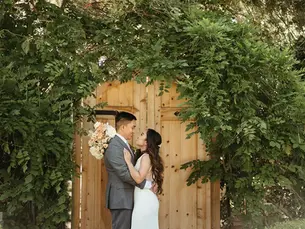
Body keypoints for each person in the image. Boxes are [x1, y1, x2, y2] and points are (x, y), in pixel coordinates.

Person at [104, 112, 153, 229]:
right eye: (132, 127)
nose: (133, 131)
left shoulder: (123, 144)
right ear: (123, 127)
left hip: (127, 198)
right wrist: (147, 185)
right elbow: (124, 173)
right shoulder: (114, 146)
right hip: (121, 198)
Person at [124, 128, 164, 229]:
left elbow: (139, 179)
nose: (138, 135)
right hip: (144, 199)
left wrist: (128, 162)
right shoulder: (145, 156)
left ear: (147, 142)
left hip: (145, 201)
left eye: (142, 134)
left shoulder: (146, 157)